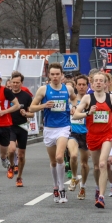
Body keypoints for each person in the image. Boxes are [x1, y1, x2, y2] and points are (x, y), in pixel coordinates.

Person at [72, 72, 112, 209]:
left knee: (102, 164)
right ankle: (97, 186)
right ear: (92, 84)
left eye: (102, 80)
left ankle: (101, 196)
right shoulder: (87, 98)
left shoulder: (111, 98)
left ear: (106, 83)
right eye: (96, 81)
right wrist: (88, 113)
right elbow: (76, 115)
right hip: (92, 136)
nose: (99, 83)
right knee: (95, 167)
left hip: (107, 135)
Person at [30, 63, 76, 203]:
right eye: (53, 74)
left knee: (59, 157)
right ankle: (55, 186)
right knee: (53, 161)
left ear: (62, 75)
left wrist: (74, 107)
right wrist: (44, 105)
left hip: (63, 127)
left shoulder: (67, 89)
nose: (55, 77)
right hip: (49, 128)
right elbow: (31, 108)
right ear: (49, 76)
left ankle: (62, 189)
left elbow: (74, 98)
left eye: (58, 74)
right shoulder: (44, 90)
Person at [7, 71, 34, 187]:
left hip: (22, 126)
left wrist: (26, 114)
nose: (15, 85)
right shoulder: (7, 95)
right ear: (10, 82)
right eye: (13, 82)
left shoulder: (26, 96)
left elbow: (32, 114)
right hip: (9, 126)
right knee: (12, 149)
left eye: (17, 83)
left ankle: (19, 177)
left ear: (21, 83)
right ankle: (12, 165)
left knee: (22, 155)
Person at [68, 75, 91, 199]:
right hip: (73, 133)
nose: (81, 87)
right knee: (73, 155)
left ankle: (83, 187)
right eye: (79, 84)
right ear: (75, 85)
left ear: (87, 86)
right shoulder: (71, 100)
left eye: (84, 84)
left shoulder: (90, 100)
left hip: (86, 134)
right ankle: (74, 177)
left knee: (84, 164)